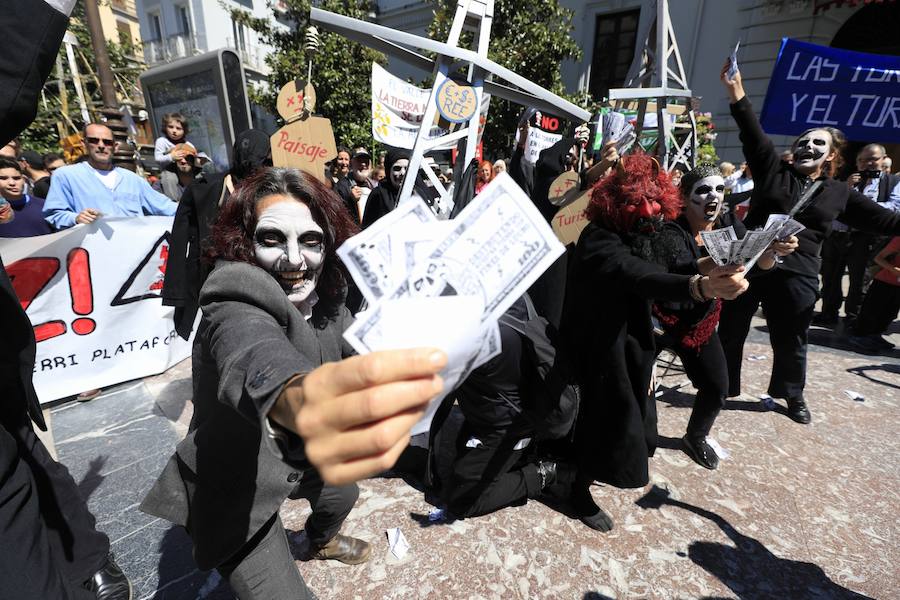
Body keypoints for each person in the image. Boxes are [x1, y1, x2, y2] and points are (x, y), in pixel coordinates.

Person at [141, 167, 445, 599]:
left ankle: (320, 542)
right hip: (238, 479)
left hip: (307, 456)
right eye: (271, 239)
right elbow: (252, 354)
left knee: (342, 494)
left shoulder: (330, 298)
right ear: (245, 242)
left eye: (310, 240)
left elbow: (363, 352)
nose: (294, 259)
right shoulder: (234, 291)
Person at [562, 154, 748, 530]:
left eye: (653, 199)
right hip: (597, 345)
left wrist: (705, 268)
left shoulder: (640, 232)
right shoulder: (600, 237)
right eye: (636, 201)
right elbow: (637, 273)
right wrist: (701, 286)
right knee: (602, 421)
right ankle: (574, 490)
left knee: (639, 429)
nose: (648, 209)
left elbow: (663, 265)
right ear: (615, 203)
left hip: (630, 339)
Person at [717, 61, 900, 424]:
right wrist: (736, 90)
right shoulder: (773, 169)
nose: (808, 146)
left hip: (799, 273)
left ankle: (791, 395)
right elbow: (753, 133)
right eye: (803, 141)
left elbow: (886, 221)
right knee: (733, 327)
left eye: (818, 143)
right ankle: (721, 386)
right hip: (750, 263)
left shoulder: (838, 192)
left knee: (792, 338)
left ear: (832, 155)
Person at [653, 164, 797, 469]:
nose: (713, 196)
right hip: (660, 318)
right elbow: (676, 267)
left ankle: (696, 436)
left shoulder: (729, 224)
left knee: (718, 385)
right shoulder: (669, 227)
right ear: (685, 195)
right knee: (634, 385)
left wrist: (771, 251)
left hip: (701, 322)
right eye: (704, 189)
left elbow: (757, 266)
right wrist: (716, 263)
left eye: (719, 189)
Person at [444, 296, 571, 518]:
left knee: (462, 499)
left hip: (507, 426)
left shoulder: (476, 337)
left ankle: (543, 473)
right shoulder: (500, 294)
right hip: (492, 407)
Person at [163, 129, 272, 339]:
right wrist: (177, 292)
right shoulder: (204, 189)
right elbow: (179, 239)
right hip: (218, 279)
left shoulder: (274, 189)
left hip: (263, 278)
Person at [817, 143, 900, 327]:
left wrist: (861, 205)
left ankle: (853, 316)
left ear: (883, 160)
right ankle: (828, 313)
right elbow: (834, 207)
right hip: (837, 236)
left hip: (864, 239)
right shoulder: (847, 181)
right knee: (830, 276)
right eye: (862, 160)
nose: (867, 163)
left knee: (859, 279)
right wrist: (847, 188)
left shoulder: (893, 182)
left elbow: (893, 208)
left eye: (873, 159)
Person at [43, 123, 176, 230]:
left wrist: (193, 203)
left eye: (107, 142)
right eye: (94, 141)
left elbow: (165, 207)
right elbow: (54, 214)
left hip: (134, 252)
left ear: (115, 147)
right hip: (92, 254)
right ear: (84, 144)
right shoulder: (66, 175)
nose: (101, 145)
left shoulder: (132, 179)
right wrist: (75, 218)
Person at [848, 236, 900, 352]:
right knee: (872, 311)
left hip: (897, 286)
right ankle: (859, 336)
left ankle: (876, 335)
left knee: (890, 313)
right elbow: (879, 258)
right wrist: (895, 270)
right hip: (884, 281)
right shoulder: (898, 240)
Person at [0, 155, 52, 237]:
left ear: (24, 179)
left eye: (16, 178)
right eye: (3, 178)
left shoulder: (45, 206)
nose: (12, 183)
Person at [361, 148, 410, 228]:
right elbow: (368, 229)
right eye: (397, 168)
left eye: (406, 168)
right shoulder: (378, 194)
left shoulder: (418, 193)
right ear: (388, 170)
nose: (402, 173)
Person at [335, 147, 378, 225]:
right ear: (351, 164)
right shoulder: (342, 186)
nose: (363, 164)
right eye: (359, 161)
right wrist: (350, 200)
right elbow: (336, 213)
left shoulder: (375, 186)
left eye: (366, 161)